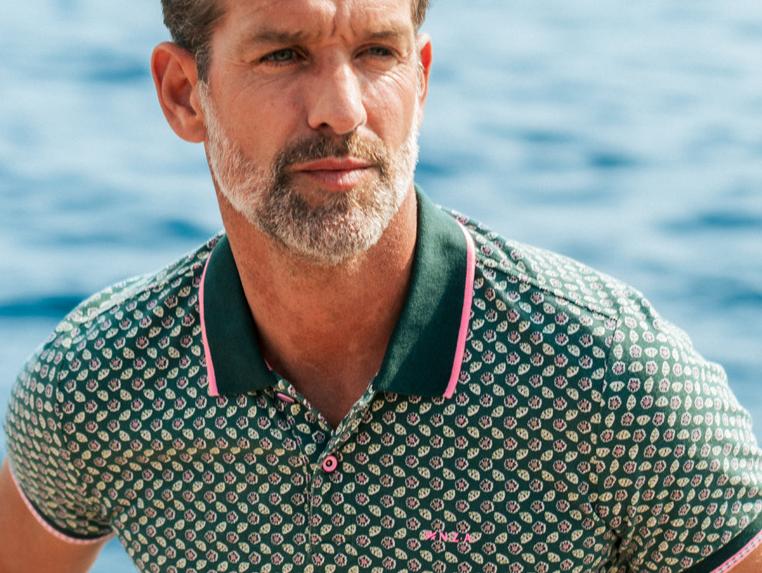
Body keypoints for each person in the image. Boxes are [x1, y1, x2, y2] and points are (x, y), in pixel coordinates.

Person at [1, 0, 760, 571]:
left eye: (376, 52)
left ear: (420, 79)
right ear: (182, 94)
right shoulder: (98, 385)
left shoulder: (614, 380)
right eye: (283, 55)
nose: (341, 109)